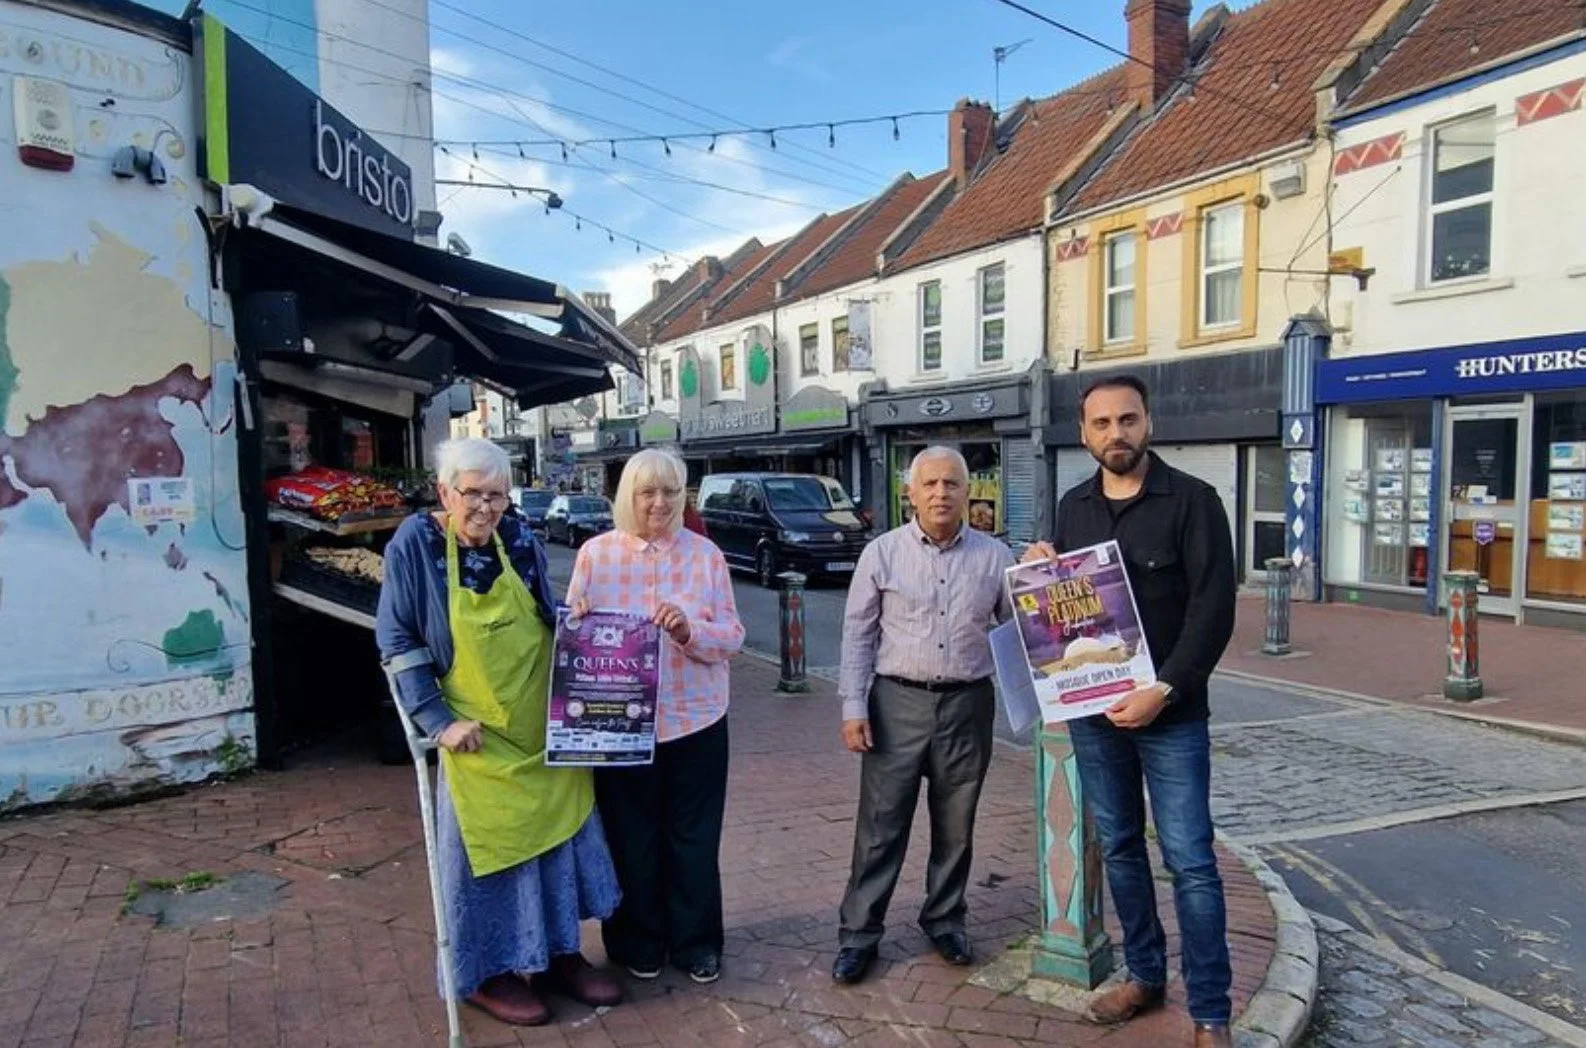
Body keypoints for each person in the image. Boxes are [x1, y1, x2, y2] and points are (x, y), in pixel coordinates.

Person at [376, 438, 624, 1027]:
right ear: (444, 492)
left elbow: (542, 612)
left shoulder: (519, 537)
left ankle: (559, 957)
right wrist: (438, 721)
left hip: (541, 726)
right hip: (475, 734)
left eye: (497, 496)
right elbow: (398, 639)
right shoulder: (415, 543)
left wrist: (577, 620)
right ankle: (489, 973)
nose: (486, 508)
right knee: (493, 860)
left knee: (559, 846)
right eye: (473, 494)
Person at [1022, 375, 1237, 1048]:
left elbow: (1214, 612)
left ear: (1148, 423)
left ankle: (1211, 1012)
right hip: (1095, 718)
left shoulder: (1194, 503)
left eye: (1128, 420)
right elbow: (1065, 608)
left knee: (1191, 860)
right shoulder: (1072, 507)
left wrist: (1163, 689)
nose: (1117, 433)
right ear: (1084, 434)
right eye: (1102, 424)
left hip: (1171, 715)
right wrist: (1041, 568)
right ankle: (1144, 975)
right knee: (1118, 847)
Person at [832, 446, 1014, 985]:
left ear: (967, 491)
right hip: (896, 705)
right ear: (909, 493)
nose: (941, 493)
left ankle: (945, 919)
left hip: (968, 705)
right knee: (880, 828)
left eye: (951, 484)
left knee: (956, 826)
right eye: (929, 484)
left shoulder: (996, 557)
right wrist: (852, 707)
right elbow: (857, 635)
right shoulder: (882, 554)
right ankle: (859, 934)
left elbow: (1018, 632)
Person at [566, 448, 745, 985]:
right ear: (628, 496)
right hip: (618, 725)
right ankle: (637, 941)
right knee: (630, 837)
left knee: (694, 836)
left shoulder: (706, 556)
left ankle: (696, 943)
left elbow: (734, 636)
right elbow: (572, 633)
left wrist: (691, 630)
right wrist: (576, 627)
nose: (660, 503)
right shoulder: (596, 556)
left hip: (696, 719)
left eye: (671, 492)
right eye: (648, 492)